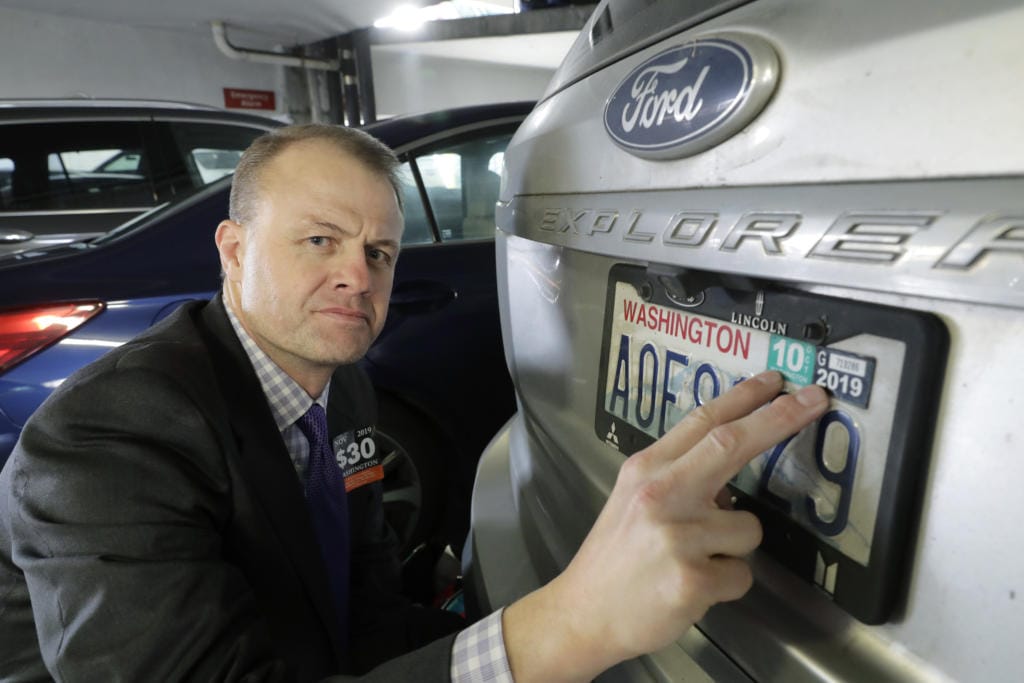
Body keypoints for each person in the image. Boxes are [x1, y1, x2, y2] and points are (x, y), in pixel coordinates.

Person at [0, 124, 829, 681]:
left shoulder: (342, 386)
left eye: (381, 251)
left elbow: (357, 614)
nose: (358, 275)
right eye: (319, 239)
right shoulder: (106, 438)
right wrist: (564, 626)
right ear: (234, 247)